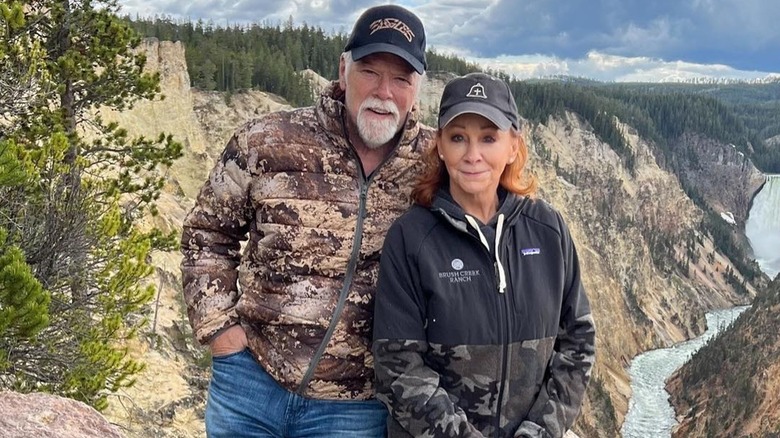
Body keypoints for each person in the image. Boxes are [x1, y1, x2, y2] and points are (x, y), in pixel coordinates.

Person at [179, 4, 434, 437]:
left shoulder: (433, 164)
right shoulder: (268, 141)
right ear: (342, 69)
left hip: (355, 409)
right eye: (370, 71)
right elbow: (207, 234)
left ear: (418, 88)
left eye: (401, 79)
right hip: (251, 384)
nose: (384, 92)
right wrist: (220, 332)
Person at [372, 72, 596, 437]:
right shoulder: (411, 238)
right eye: (459, 138)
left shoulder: (548, 229)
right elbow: (398, 365)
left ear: (512, 147)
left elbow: (578, 341)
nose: (473, 155)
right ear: (440, 146)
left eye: (488, 138)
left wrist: (540, 431)